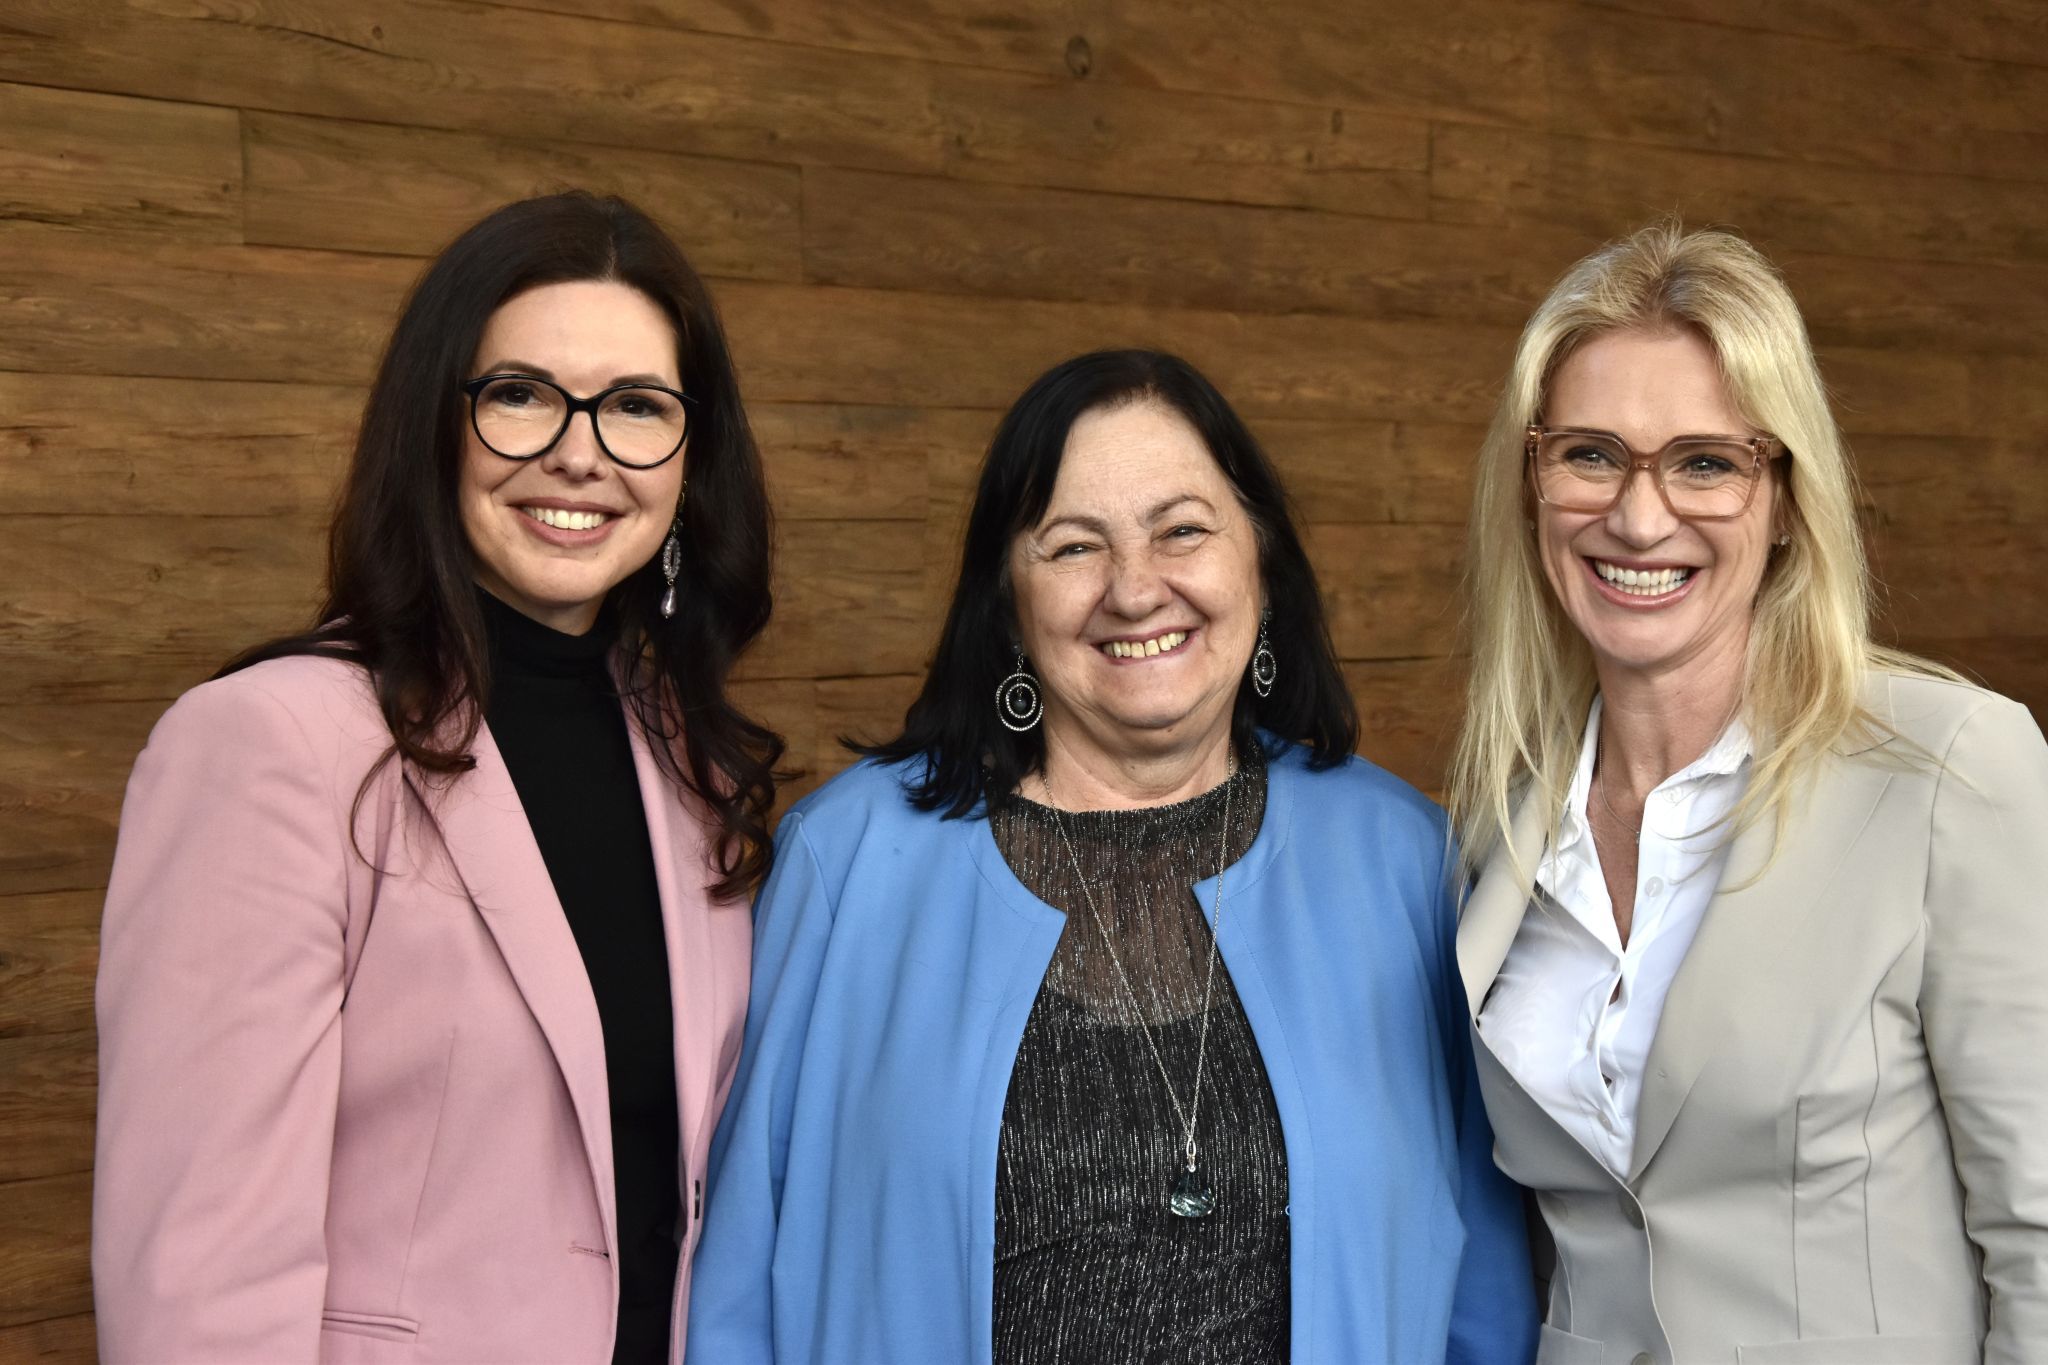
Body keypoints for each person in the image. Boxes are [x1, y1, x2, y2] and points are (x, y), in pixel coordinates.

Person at [686, 349, 1538, 1363]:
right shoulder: (849, 862)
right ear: (1005, 598)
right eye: (1072, 547)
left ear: (1259, 561)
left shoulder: (1403, 866)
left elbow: (1482, 1294)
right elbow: (739, 1281)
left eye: (1182, 531)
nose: (1136, 590)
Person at [91, 192, 781, 1363]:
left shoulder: (688, 762)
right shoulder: (269, 746)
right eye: (518, 395)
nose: (581, 451)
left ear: (689, 458)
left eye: (635, 407)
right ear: (435, 426)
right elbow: (194, 1284)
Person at [1449, 223, 2048, 1362]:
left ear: (1781, 497)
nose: (1635, 516)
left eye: (1704, 463)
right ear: (1529, 480)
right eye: (1588, 453)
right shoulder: (1500, 818)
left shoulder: (1949, 768)